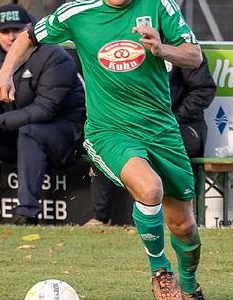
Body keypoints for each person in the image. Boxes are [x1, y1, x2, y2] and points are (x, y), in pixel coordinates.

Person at [0, 0, 214, 300]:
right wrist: (7, 73)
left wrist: (162, 49)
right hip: (108, 131)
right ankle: (159, 270)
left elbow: (194, 57)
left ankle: (192, 287)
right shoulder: (80, 14)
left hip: (161, 129)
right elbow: (29, 36)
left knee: (185, 228)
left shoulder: (156, 3)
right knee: (150, 188)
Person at [0, 4, 85, 226]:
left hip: (67, 136)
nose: (11, 37)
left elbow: (45, 109)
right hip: (22, 133)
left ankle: (27, 214)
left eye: (17, 31)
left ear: (29, 28)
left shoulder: (53, 55)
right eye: (5, 32)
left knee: (30, 132)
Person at [88, 53, 216, 225]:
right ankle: (99, 217)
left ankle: (179, 219)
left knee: (163, 147)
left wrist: (171, 119)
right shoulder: (128, 48)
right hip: (139, 126)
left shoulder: (181, 46)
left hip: (184, 126)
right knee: (109, 145)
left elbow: (204, 89)